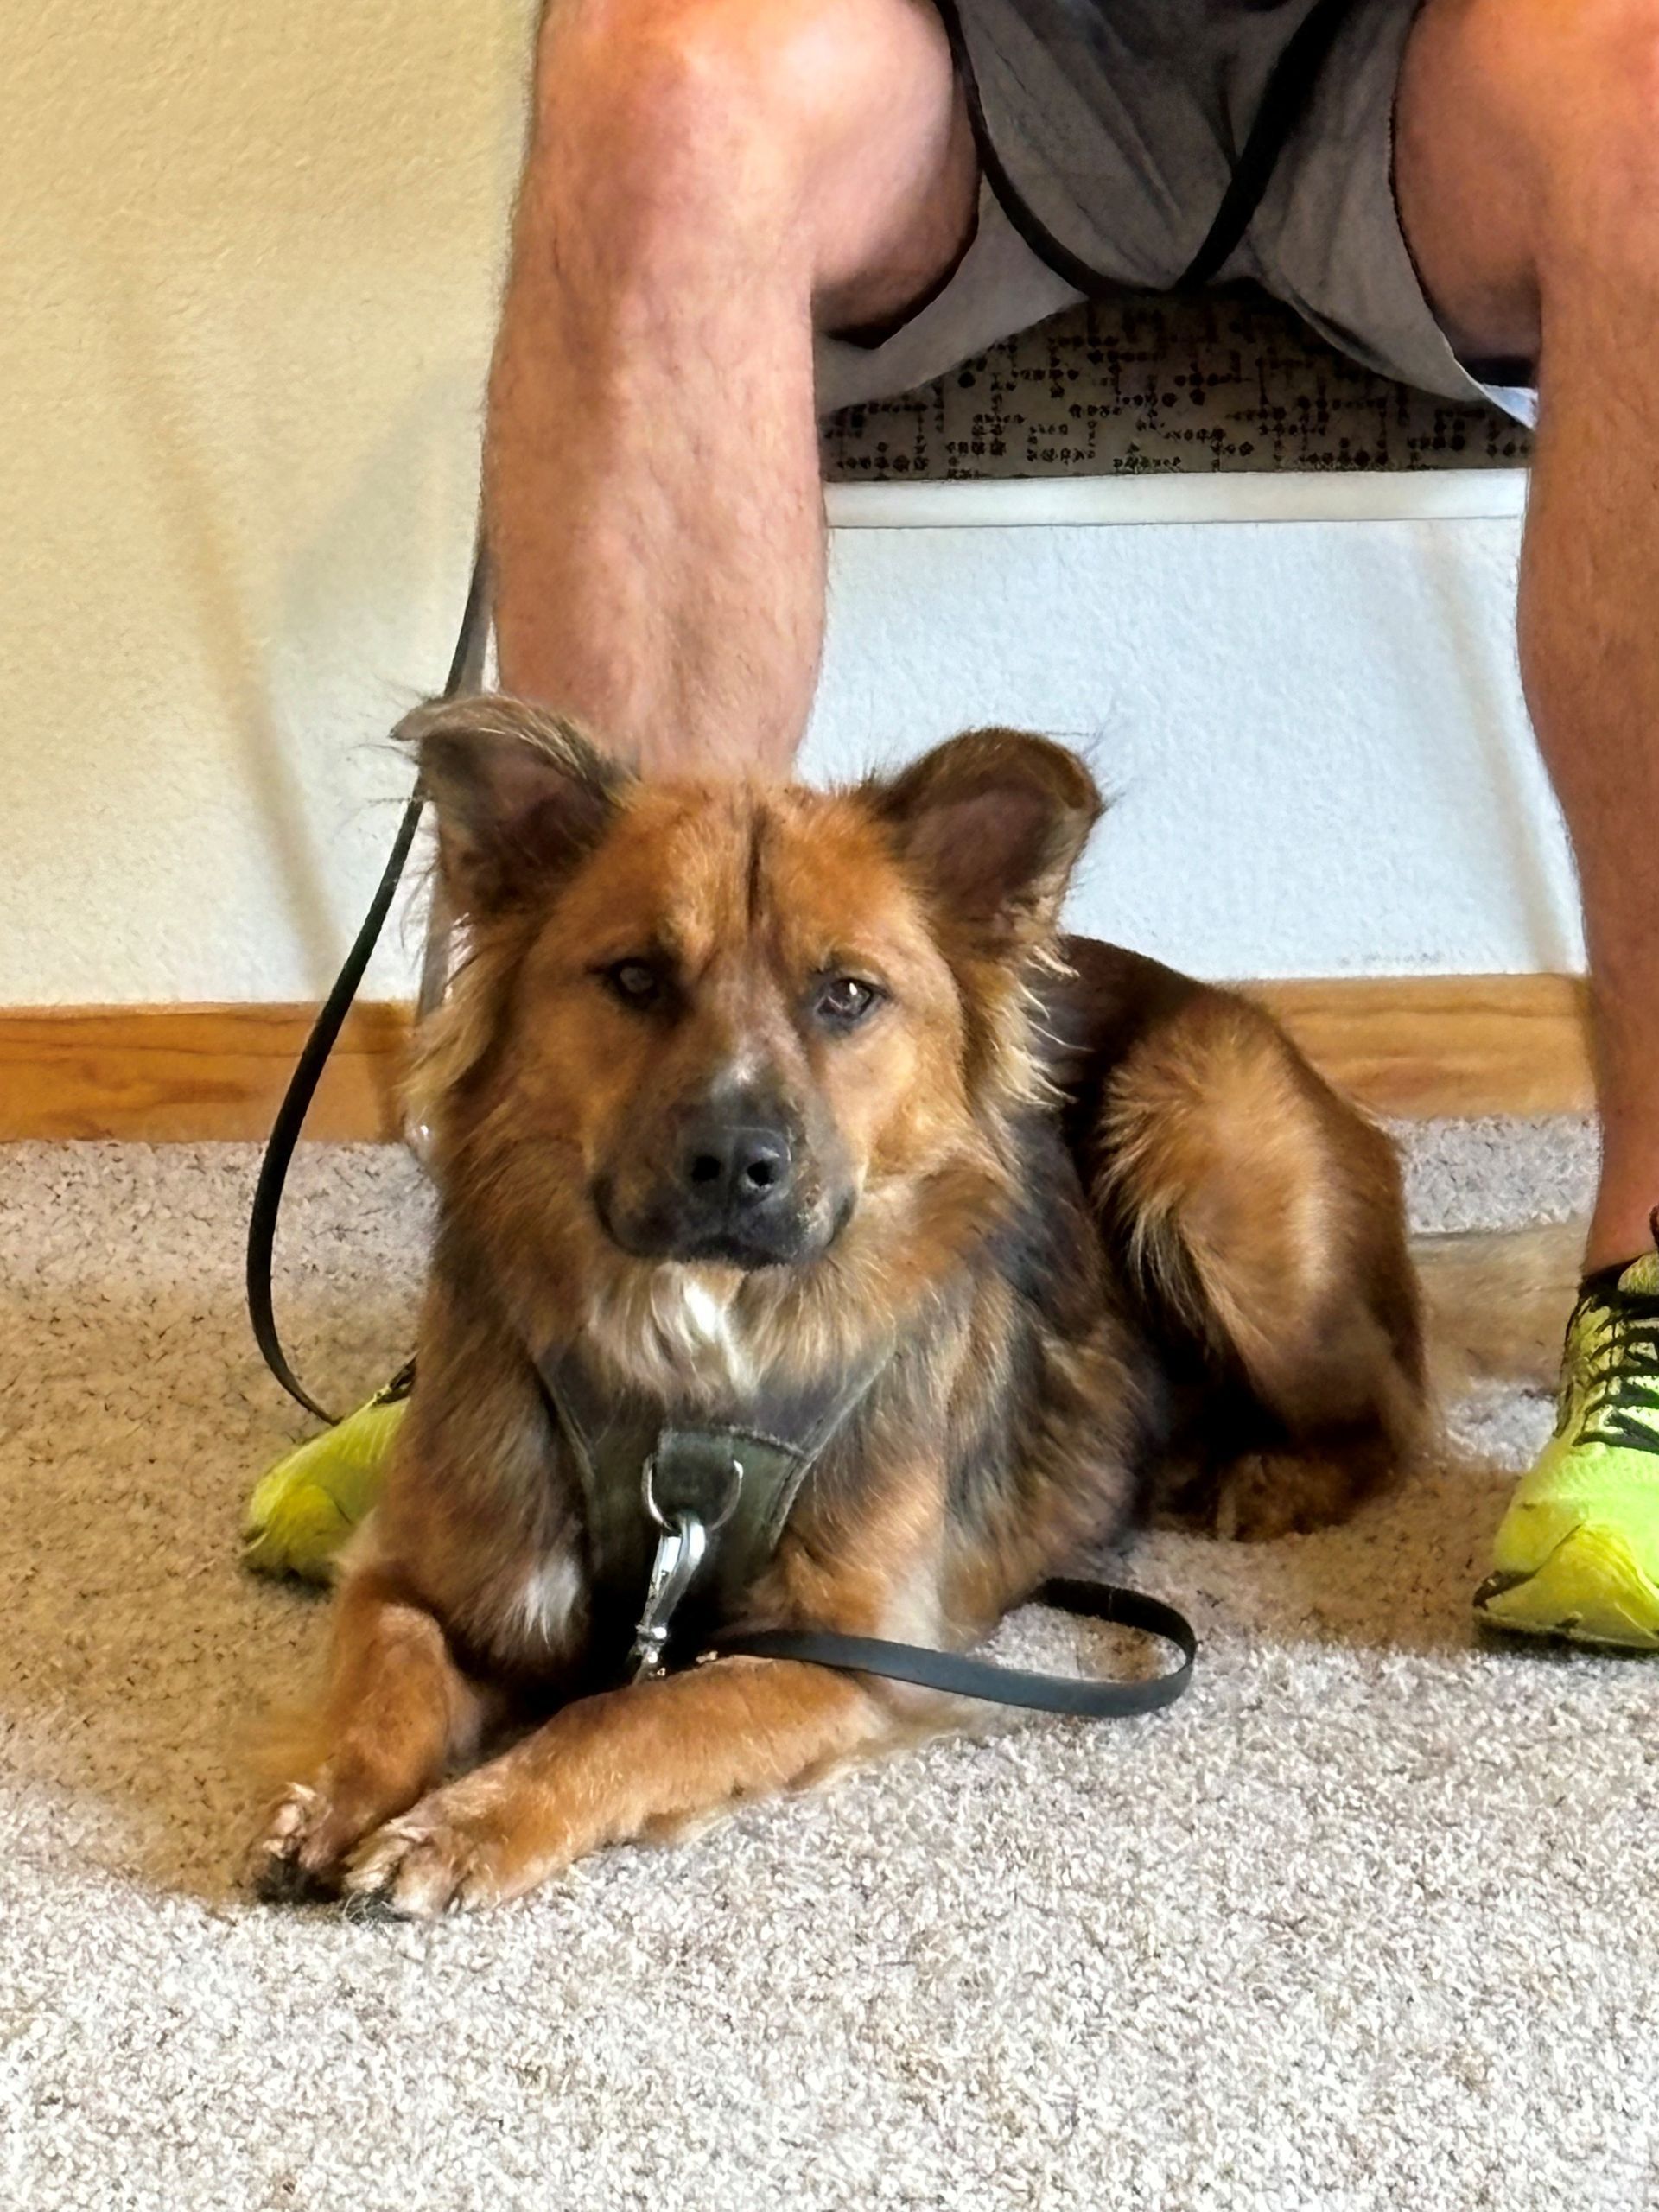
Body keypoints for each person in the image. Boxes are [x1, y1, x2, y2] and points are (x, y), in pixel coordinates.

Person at [460, 0, 1659, 1645]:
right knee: (659, 69)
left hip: (1412, 56)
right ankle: (583, 1310)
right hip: (968, 53)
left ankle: (1652, 1281)